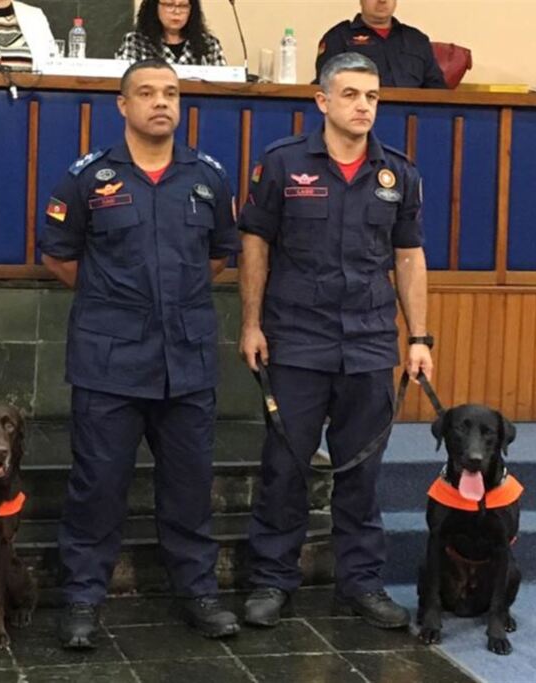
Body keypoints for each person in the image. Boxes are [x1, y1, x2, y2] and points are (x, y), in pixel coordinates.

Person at [39, 59, 241, 649]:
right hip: (110, 361)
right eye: (147, 93)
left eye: (172, 94)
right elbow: (59, 255)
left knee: (188, 486)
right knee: (97, 486)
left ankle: (198, 592)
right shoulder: (88, 178)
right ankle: (81, 600)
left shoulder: (207, 176)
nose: (162, 103)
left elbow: (219, 256)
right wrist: (116, 301)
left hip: (188, 358)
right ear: (123, 106)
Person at [238, 52, 433, 631]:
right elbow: (255, 245)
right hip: (296, 341)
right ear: (322, 101)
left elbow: (408, 256)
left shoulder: (399, 173)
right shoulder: (281, 164)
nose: (363, 106)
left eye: (372, 97)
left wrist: (419, 335)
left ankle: (360, 583)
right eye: (350, 95)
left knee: (362, 473)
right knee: (285, 469)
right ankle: (273, 582)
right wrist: (250, 324)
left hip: (371, 343)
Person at [314, 0, 446, 88]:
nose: (382, 0)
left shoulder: (416, 40)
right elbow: (325, 86)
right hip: (357, 119)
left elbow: (437, 89)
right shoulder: (338, 37)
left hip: (412, 121)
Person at [116, 0, 226, 66]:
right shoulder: (136, 42)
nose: (177, 12)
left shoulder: (209, 45)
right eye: (169, 5)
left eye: (183, 6)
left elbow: (224, 86)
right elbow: (124, 82)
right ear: (154, 7)